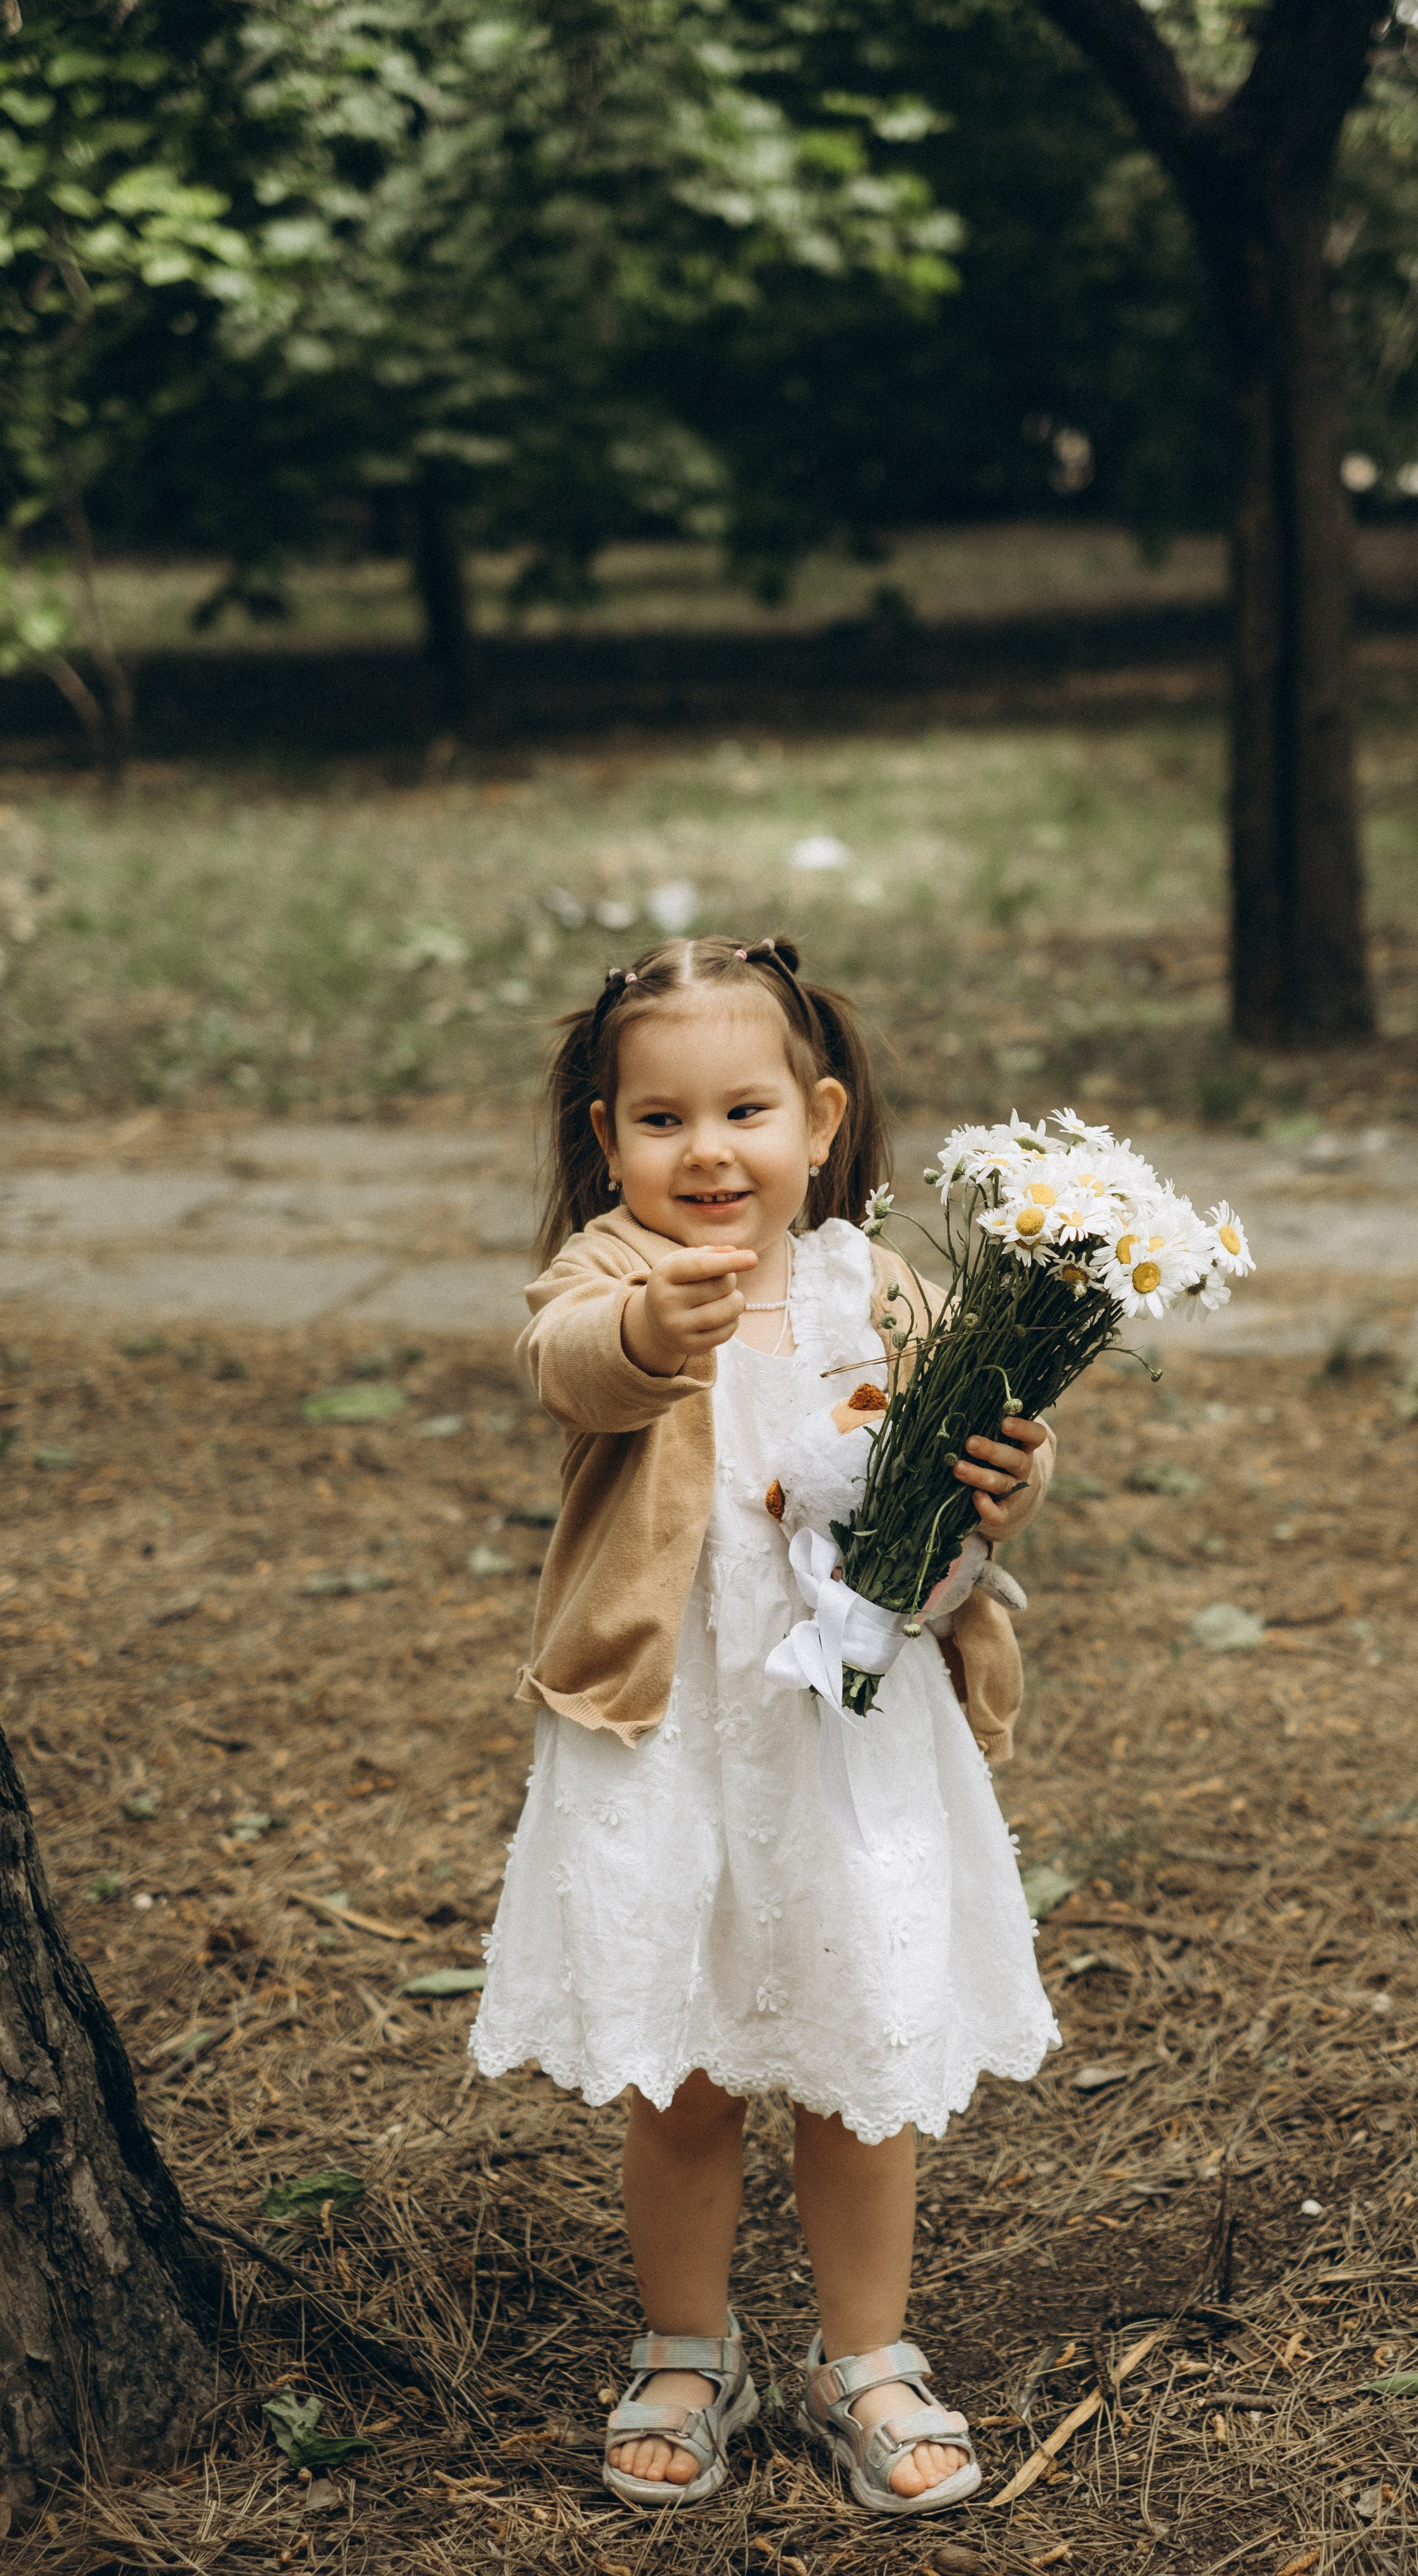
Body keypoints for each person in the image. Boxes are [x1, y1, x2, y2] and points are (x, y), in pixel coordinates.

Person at [468, 932, 1058, 2519]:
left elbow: (991, 1440)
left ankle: (864, 2354)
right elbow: (572, 1368)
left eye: (743, 1114)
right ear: (607, 1143)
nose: (705, 1152)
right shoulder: (612, 1275)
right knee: (688, 2074)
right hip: (671, 1735)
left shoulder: (878, 1288)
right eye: (659, 1121)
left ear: (819, 1120)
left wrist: (1015, 1473)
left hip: (848, 1739)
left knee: (858, 2045)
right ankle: (686, 2344)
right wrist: (656, 1331)